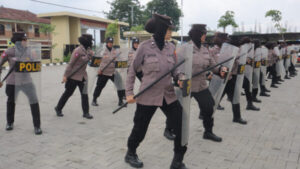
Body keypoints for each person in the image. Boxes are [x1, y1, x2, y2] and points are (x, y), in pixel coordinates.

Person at [125, 13, 188, 169]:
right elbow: (132, 71)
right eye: (168, 29)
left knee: (182, 125)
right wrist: (129, 93)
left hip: (168, 95)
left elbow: (176, 69)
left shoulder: (171, 47)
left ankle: (178, 160)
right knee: (140, 128)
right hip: (148, 95)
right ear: (160, 29)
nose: (171, 32)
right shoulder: (144, 47)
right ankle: (130, 153)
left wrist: (181, 77)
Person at [189, 25, 228, 142]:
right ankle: (169, 128)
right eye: (203, 33)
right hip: (187, 85)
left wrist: (221, 69)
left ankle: (208, 132)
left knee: (209, 106)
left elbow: (212, 65)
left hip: (201, 85)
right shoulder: (186, 48)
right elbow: (179, 68)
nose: (205, 36)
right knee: (178, 109)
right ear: (197, 34)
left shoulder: (205, 49)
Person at [0, 32, 42, 135]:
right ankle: (10, 122)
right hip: (12, 82)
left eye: (26, 39)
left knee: (34, 101)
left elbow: (35, 64)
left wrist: (35, 61)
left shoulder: (30, 51)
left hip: (27, 81)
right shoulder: (9, 52)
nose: (26, 41)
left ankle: (37, 126)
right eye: (24, 40)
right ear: (18, 41)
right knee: (11, 102)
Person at [55, 34, 94, 119]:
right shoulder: (77, 51)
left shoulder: (88, 50)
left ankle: (86, 112)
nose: (92, 43)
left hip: (83, 76)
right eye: (91, 41)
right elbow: (71, 64)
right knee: (68, 93)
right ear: (86, 42)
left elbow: (90, 62)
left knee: (84, 94)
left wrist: (91, 56)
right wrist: (65, 76)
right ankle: (58, 108)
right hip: (74, 76)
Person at [92, 37, 125, 106]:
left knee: (120, 84)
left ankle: (121, 101)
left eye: (111, 43)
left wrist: (122, 66)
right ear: (107, 43)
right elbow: (95, 62)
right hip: (103, 72)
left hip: (113, 71)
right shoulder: (101, 51)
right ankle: (94, 100)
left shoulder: (115, 51)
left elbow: (121, 60)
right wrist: (98, 70)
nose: (110, 44)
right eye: (109, 42)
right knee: (99, 86)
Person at [223, 36, 248, 125]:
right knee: (215, 98)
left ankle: (237, 117)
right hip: (222, 77)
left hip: (230, 77)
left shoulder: (237, 49)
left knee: (234, 97)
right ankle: (204, 113)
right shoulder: (228, 49)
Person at [209, 32, 229, 111]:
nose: (227, 41)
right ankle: (203, 112)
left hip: (225, 73)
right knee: (212, 93)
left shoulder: (226, 49)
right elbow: (211, 63)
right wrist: (218, 69)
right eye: (225, 39)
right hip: (216, 74)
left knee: (223, 90)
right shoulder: (213, 50)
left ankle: (216, 103)